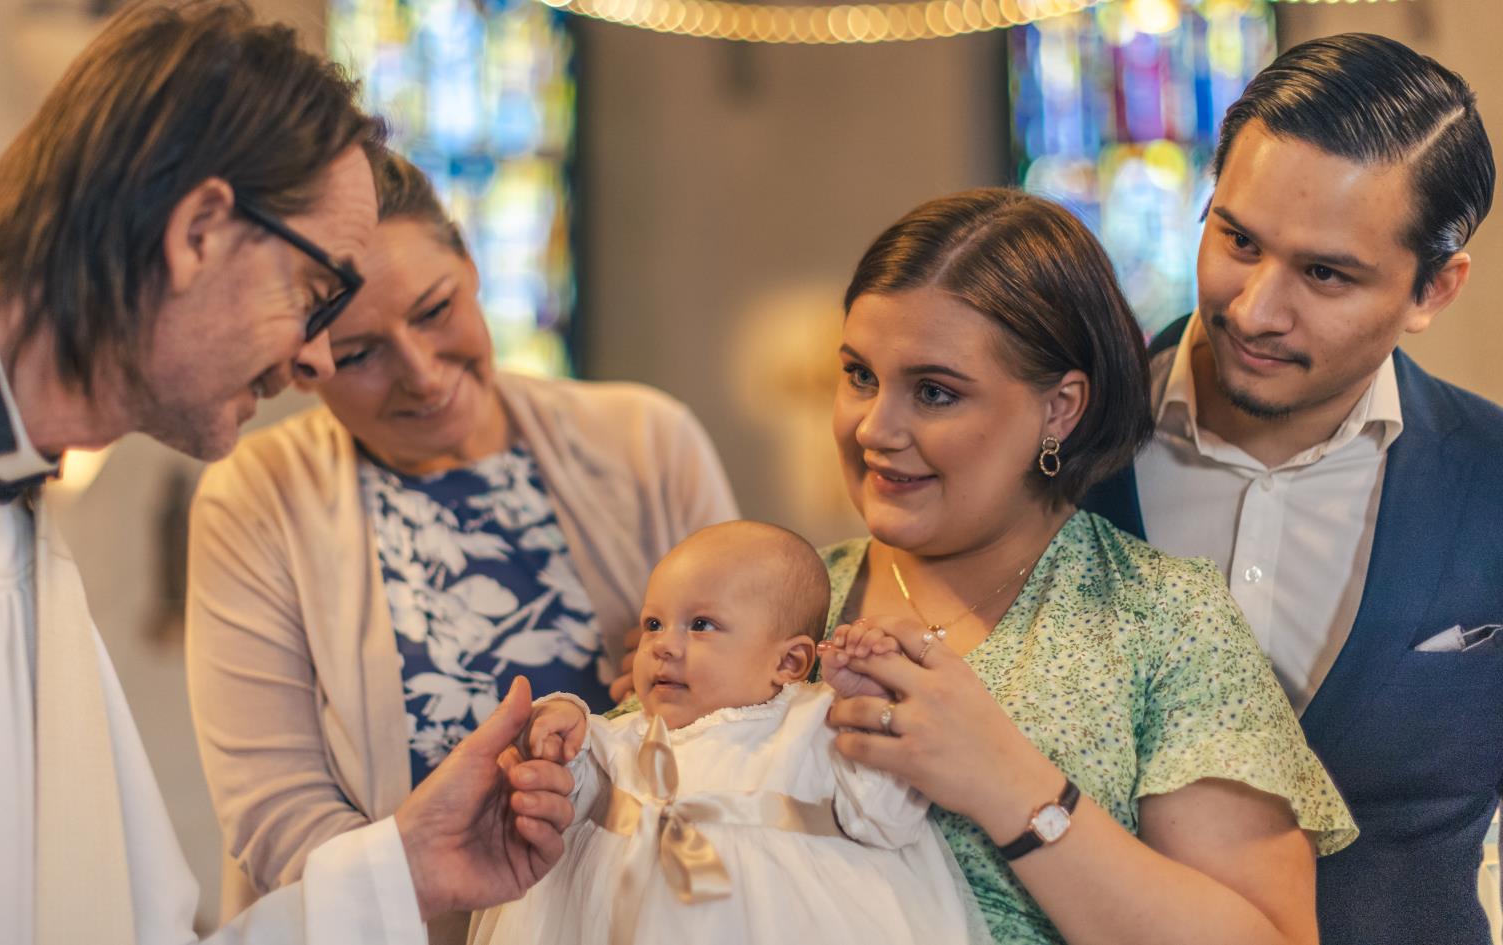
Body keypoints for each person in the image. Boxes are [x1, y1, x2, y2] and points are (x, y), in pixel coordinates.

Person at [0, 4, 577, 944]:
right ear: (201, 230)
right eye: (318, 295)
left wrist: (407, 867)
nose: (316, 362)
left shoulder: (25, 540)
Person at [184, 149, 737, 925]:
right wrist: (443, 899)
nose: (420, 371)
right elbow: (276, 815)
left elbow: (758, 694)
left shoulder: (649, 443)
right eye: (359, 353)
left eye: (436, 309)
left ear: (472, 268)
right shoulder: (256, 500)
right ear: (303, 361)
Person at [810, 188, 1356, 945]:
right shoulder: (780, 595)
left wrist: (1007, 781)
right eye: (861, 375)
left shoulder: (1162, 620)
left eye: (934, 391)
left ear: (1060, 408)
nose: (875, 426)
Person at [1080, 33, 1502, 945]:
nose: (1254, 308)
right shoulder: (1059, 449)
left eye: (1324, 273)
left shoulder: (1494, 484)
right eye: (1237, 239)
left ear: (1434, 288)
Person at [470, 521, 989, 945]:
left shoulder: (813, 723)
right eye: (654, 624)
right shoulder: (626, 739)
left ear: (788, 661)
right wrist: (557, 724)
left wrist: (867, 698)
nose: (663, 646)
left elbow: (889, 821)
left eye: (700, 625)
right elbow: (563, 796)